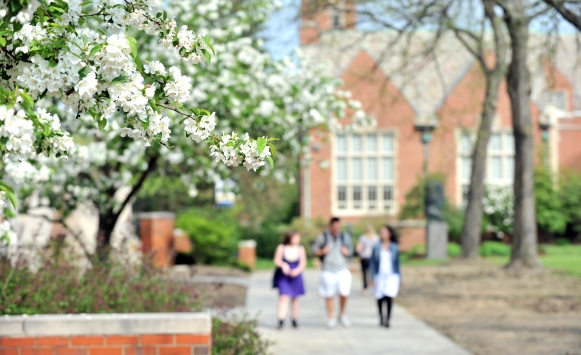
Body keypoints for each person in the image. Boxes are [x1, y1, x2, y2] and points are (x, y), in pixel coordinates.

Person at [312, 217, 353, 328]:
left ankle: (342, 314)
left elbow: (351, 251)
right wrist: (322, 251)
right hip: (328, 270)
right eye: (334, 227)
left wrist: (347, 252)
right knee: (329, 295)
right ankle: (331, 317)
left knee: (344, 293)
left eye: (338, 227)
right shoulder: (323, 237)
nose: (336, 229)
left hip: (342, 269)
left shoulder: (345, 237)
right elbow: (314, 250)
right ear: (330, 226)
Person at [273, 230, 306, 329]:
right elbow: (276, 260)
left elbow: (303, 263)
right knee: (283, 297)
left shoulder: (300, 248)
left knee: (295, 298)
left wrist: (297, 270)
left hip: (296, 275)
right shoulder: (281, 247)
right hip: (284, 276)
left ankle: (294, 319)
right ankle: (281, 319)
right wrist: (283, 265)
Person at [370, 225, 400, 328]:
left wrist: (399, 277)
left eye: (384, 232)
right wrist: (372, 276)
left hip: (391, 275)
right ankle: (381, 317)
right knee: (380, 297)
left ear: (390, 234)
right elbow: (372, 262)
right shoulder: (376, 246)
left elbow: (397, 263)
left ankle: (388, 320)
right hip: (380, 275)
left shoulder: (394, 247)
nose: (382, 234)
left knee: (389, 297)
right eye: (381, 232)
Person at [356, 225, 379, 296]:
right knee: (374, 273)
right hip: (373, 258)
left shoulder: (363, 238)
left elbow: (358, 249)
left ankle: (365, 289)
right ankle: (377, 288)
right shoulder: (376, 237)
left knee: (365, 274)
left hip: (365, 257)